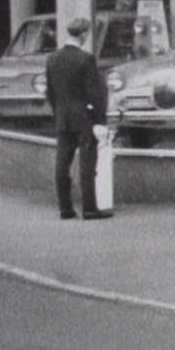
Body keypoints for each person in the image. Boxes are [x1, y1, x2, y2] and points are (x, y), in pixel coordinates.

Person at [45, 16, 112, 220]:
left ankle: (65, 208)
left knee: (62, 163)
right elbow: (95, 93)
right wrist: (100, 120)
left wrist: (58, 113)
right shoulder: (86, 59)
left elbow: (50, 92)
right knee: (87, 164)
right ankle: (89, 208)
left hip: (63, 117)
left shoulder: (52, 59)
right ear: (83, 35)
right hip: (84, 117)